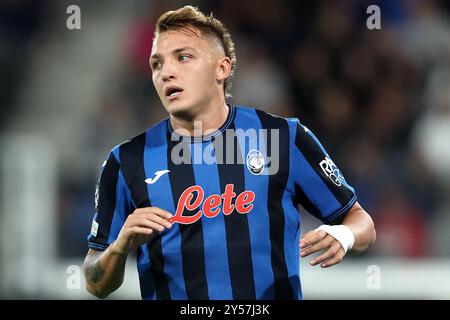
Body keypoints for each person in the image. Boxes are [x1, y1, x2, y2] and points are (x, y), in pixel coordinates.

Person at [83, 5, 376, 300]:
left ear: (221, 68)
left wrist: (344, 235)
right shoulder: (126, 161)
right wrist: (119, 246)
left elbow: (361, 222)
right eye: (157, 64)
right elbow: (95, 283)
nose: (167, 72)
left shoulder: (281, 138)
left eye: (183, 57)